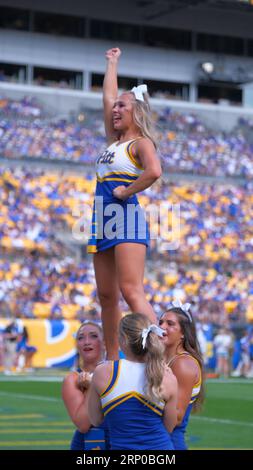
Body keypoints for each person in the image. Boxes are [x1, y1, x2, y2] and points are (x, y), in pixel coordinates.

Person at [87, 47, 161, 359]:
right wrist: (111, 63)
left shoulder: (139, 143)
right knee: (106, 296)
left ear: (136, 112)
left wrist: (126, 191)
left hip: (126, 217)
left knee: (131, 291)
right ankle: (113, 359)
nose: (116, 109)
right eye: (116, 105)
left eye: (123, 106)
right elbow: (106, 98)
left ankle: (161, 353)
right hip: (102, 220)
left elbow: (154, 171)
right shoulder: (113, 142)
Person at [87, 313, 178, 450]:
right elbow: (169, 427)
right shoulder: (167, 376)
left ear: (124, 340)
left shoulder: (103, 372)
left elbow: (95, 419)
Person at [159, 300, 204, 450]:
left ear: (183, 333)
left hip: (169, 444)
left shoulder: (183, 363)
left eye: (170, 324)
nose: (162, 327)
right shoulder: (165, 359)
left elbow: (177, 418)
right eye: (161, 322)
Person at [62, 321, 109, 450]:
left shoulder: (117, 370)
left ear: (105, 342)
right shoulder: (73, 379)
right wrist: (91, 389)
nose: (86, 341)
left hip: (119, 442)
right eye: (81, 338)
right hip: (90, 445)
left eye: (93, 336)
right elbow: (83, 424)